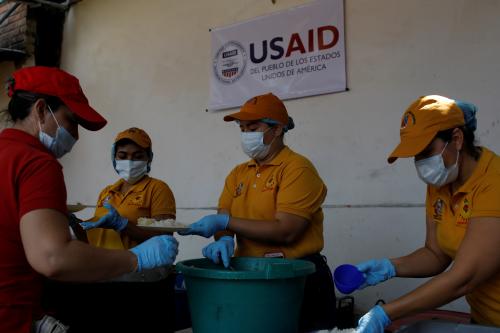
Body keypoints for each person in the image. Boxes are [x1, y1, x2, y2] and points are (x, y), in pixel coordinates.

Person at [0, 66, 178, 333]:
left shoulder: (158, 188)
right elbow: (53, 256)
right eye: (71, 120)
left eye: (138, 155)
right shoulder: (37, 163)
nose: (76, 135)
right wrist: (133, 258)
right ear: (40, 110)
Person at [180, 92, 337, 332]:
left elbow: (286, 231)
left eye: (252, 128)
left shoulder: (297, 168)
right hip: (250, 278)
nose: (246, 135)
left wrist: (227, 221)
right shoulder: (238, 173)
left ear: (277, 130)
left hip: (296, 279)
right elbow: (223, 219)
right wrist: (223, 240)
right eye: (242, 129)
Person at [354, 95, 500, 332]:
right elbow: (435, 253)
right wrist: (390, 267)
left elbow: (464, 277)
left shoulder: (494, 182)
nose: (421, 163)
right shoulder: (439, 184)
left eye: (426, 151)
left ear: (456, 138)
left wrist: (385, 313)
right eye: (416, 156)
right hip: (484, 320)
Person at [53, 127, 178, 332]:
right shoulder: (107, 192)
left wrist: (123, 225)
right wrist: (74, 223)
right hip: (108, 273)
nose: (129, 161)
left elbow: (164, 236)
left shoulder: (158, 189)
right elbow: (93, 239)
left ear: (149, 158)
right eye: (123, 156)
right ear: (114, 157)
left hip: (142, 278)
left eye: (138, 156)